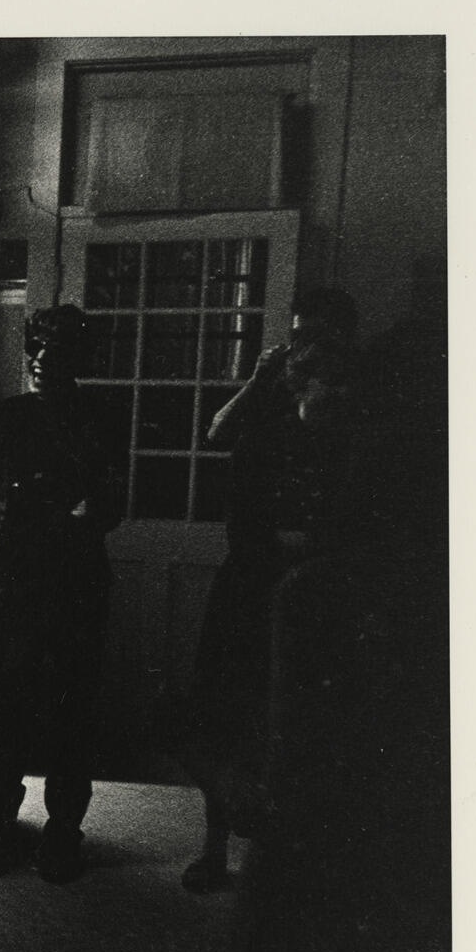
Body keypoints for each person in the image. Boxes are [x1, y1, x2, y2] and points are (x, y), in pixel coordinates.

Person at [0, 303, 124, 884]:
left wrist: (70, 512)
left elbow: (112, 506)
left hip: (75, 580)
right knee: (10, 708)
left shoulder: (101, 416)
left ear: (79, 359)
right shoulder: (6, 417)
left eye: (57, 350)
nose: (42, 360)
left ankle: (64, 832)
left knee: (72, 708)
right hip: (17, 579)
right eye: (35, 347)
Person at [178, 285, 359, 892]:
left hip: (319, 589)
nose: (304, 345)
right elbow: (216, 434)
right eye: (298, 331)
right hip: (250, 583)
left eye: (318, 334)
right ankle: (214, 847)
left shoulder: (356, 408)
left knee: (298, 720)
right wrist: (258, 384)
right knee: (225, 711)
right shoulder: (271, 404)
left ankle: (292, 858)